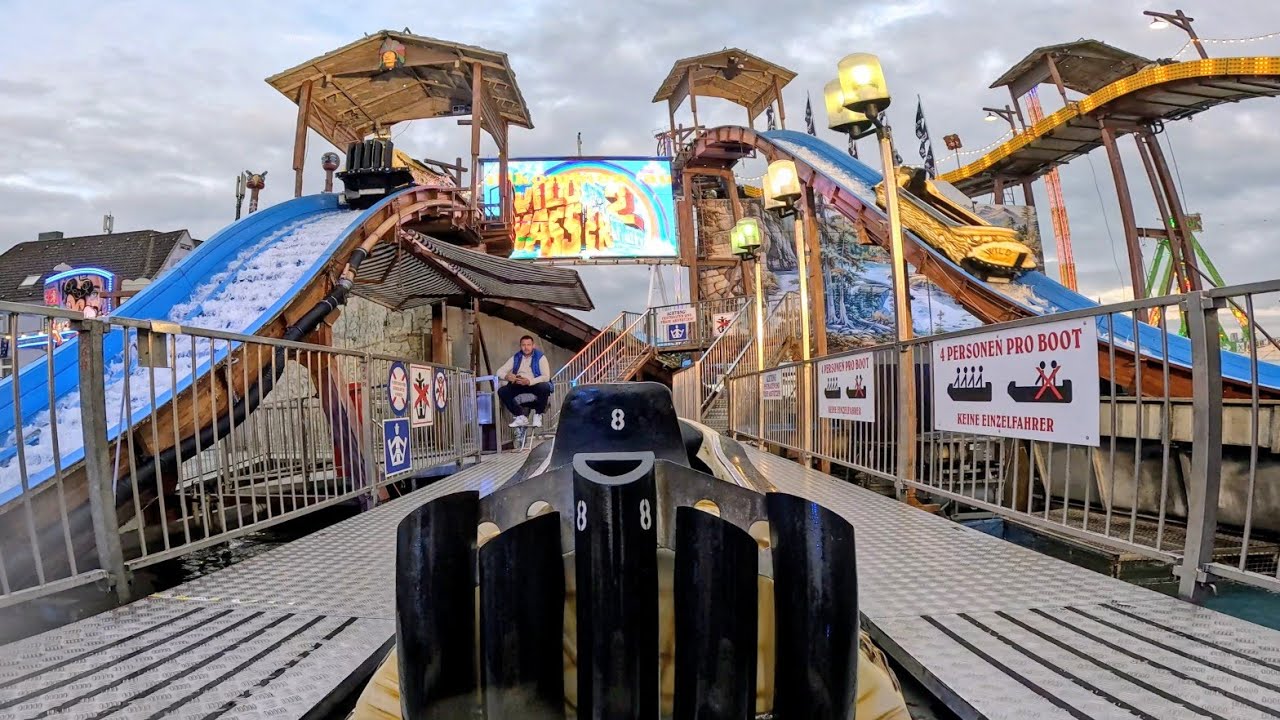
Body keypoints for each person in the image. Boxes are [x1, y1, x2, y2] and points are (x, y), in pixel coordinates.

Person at [495, 335, 553, 428]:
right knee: (502, 391)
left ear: (533, 345)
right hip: (519, 384)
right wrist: (507, 376)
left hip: (534, 384)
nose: (526, 347)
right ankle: (520, 416)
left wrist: (529, 381)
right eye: (523, 345)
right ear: (520, 346)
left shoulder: (541, 357)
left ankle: (538, 415)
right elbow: (499, 372)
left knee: (544, 387)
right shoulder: (516, 357)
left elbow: (546, 377)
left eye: (528, 345)